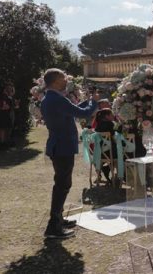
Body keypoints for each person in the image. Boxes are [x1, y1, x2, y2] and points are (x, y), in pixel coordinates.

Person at [41, 68, 99, 239]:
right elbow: (84, 113)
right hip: (62, 147)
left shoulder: (52, 97)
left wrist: (87, 101)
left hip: (59, 146)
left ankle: (58, 219)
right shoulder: (56, 99)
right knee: (62, 185)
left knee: (62, 184)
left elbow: (72, 109)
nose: (66, 79)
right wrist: (94, 102)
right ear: (55, 81)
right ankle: (53, 226)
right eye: (62, 77)